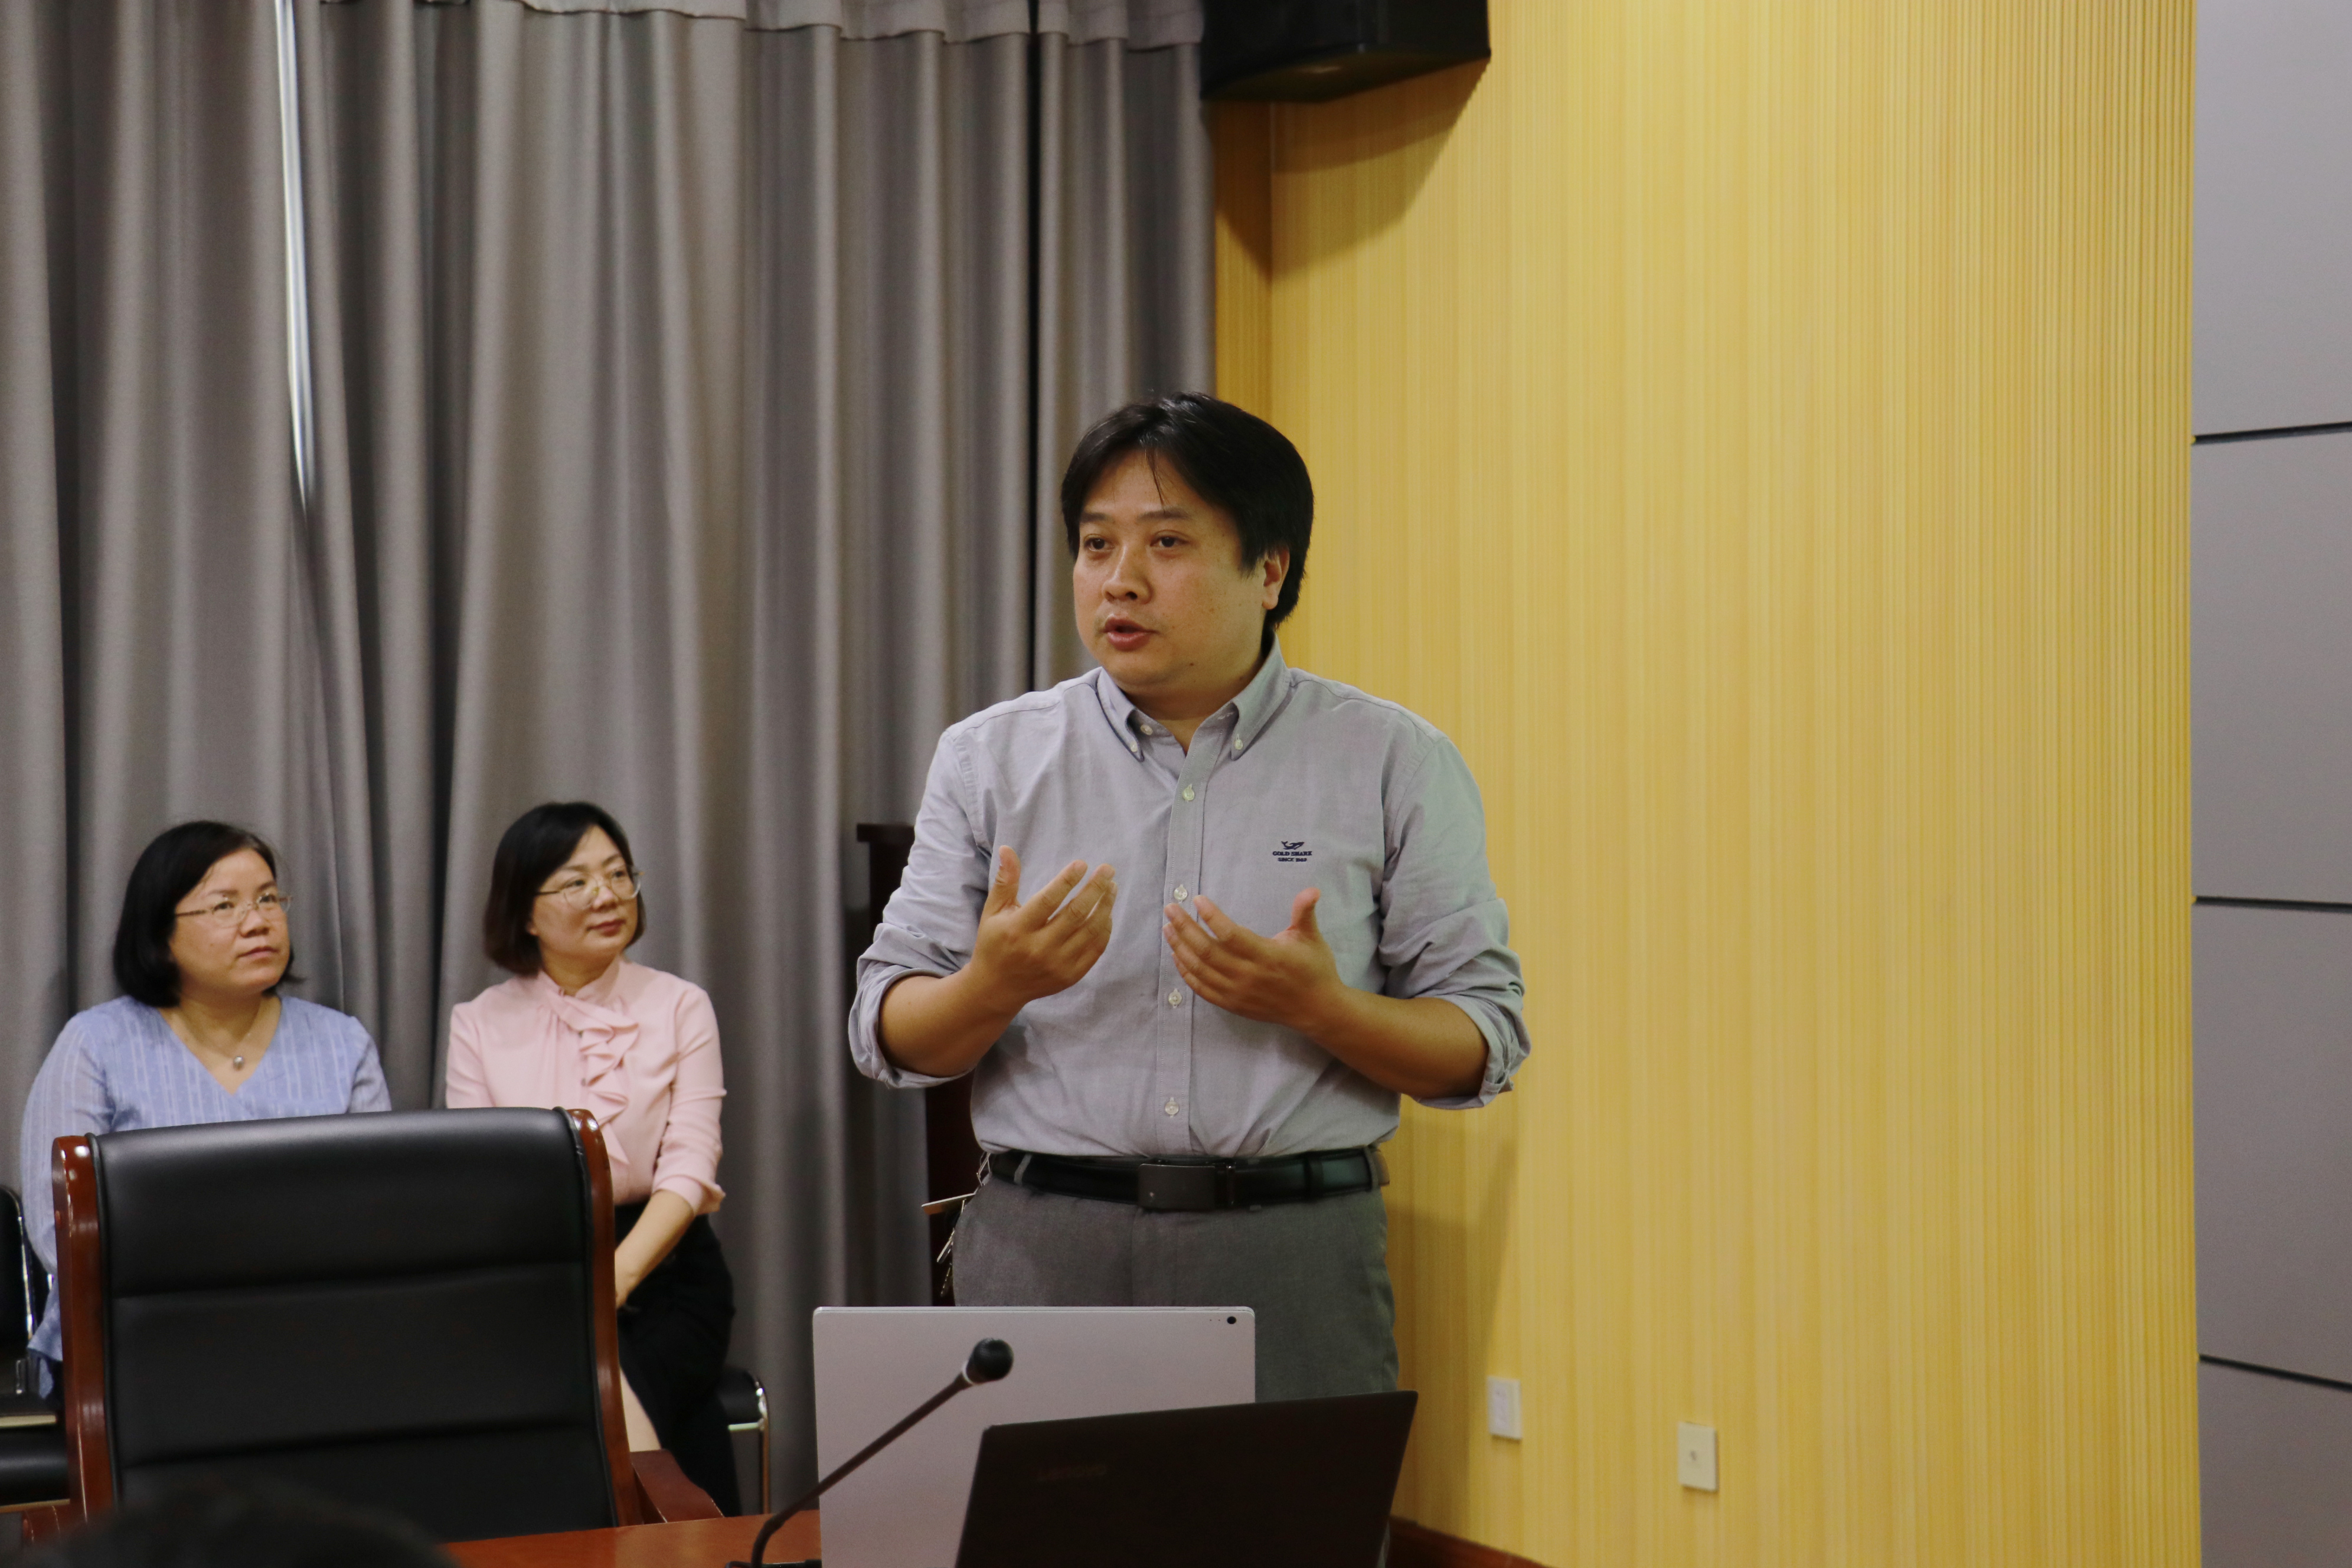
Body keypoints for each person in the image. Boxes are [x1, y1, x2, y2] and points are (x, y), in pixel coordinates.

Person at [850, 393, 1531, 1400]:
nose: (1119, 580)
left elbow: (1481, 1041)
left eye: (1166, 543)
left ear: (1270, 569)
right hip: (1046, 1245)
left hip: (1292, 1252)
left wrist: (1320, 1007)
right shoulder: (990, 757)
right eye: (1096, 545)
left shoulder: (1391, 759)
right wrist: (991, 986)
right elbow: (886, 1031)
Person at [17, 822, 392, 1391]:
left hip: (314, 1335)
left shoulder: (342, 1043)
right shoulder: (94, 1045)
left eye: (269, 899)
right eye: (224, 906)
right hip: (138, 1343)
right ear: (160, 932)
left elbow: (380, 1211)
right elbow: (59, 1230)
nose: (258, 921)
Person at [445, 802, 737, 1514]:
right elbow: (483, 1184)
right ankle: (684, 1534)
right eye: (576, 882)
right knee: (587, 1376)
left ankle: (662, 1539)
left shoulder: (679, 1005)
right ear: (526, 912)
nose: (607, 896)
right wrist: (574, 1289)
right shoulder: (478, 1023)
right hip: (539, 1272)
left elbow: (691, 1164)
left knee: (606, 1379)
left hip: (666, 1270)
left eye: (617, 874)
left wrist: (617, 1277)